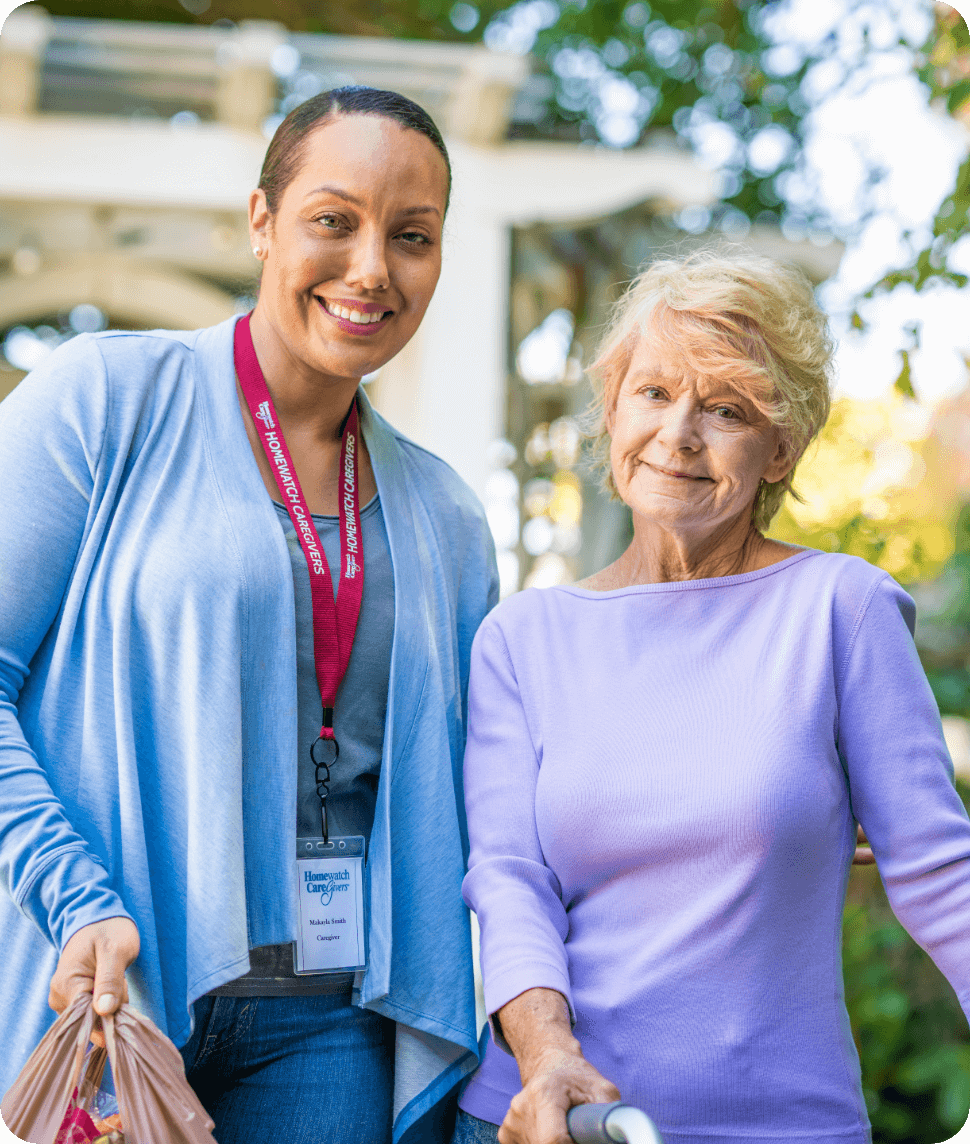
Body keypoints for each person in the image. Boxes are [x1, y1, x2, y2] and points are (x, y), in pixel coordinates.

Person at [0, 86, 497, 1144]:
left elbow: (492, 776)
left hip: (330, 1022)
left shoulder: (450, 518)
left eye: (412, 236)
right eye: (334, 218)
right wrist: (73, 892)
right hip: (103, 989)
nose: (371, 267)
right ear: (262, 220)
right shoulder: (103, 398)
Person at [452, 249, 970, 1144]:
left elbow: (937, 872)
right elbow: (511, 882)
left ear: (781, 449)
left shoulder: (840, 611)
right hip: (556, 1122)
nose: (679, 435)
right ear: (611, 409)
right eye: (653, 392)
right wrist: (548, 1059)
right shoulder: (522, 639)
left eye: (725, 408)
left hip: (785, 1127)